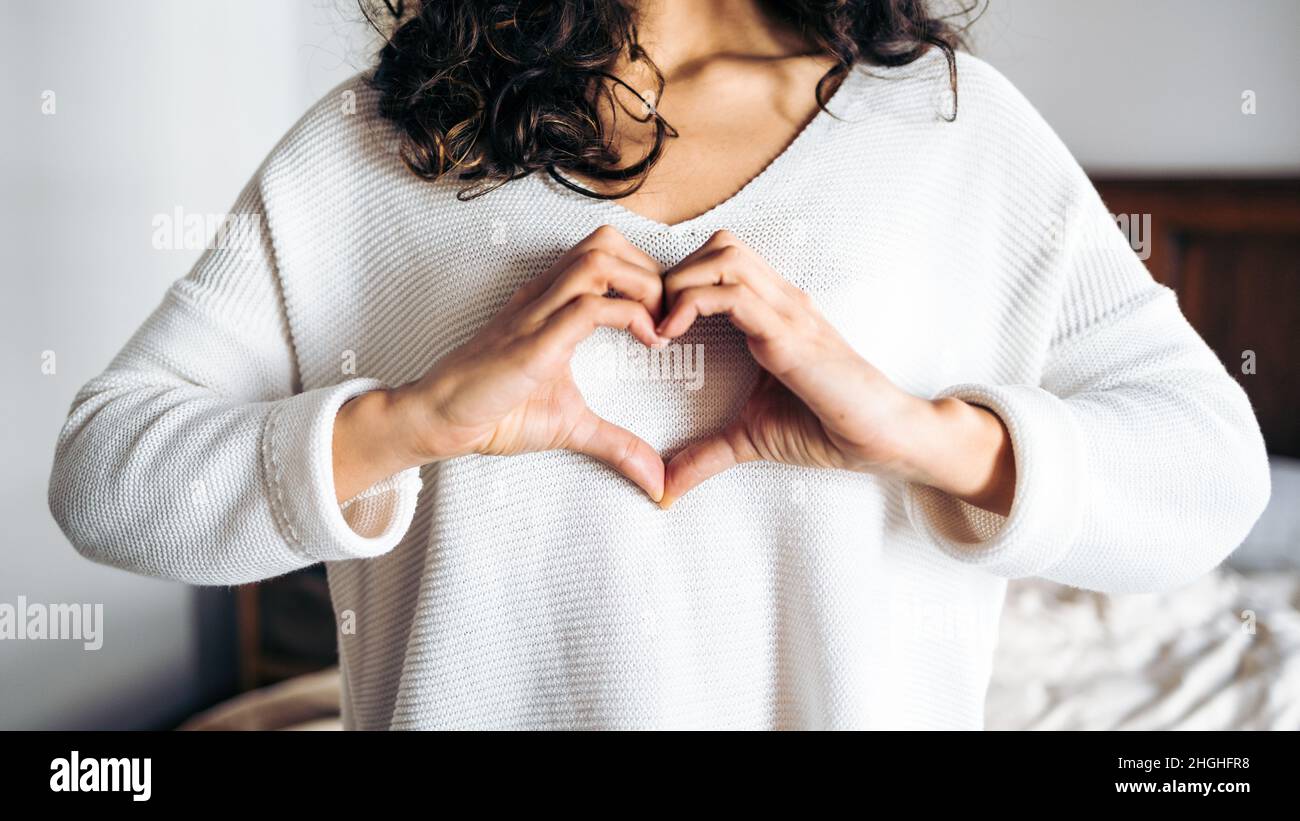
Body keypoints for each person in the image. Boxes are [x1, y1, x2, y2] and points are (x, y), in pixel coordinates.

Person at [49, 0, 1270, 729]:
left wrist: (914, 431)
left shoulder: (956, 128)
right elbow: (105, 477)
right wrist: (414, 419)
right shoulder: (373, 145)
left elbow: (1211, 479)